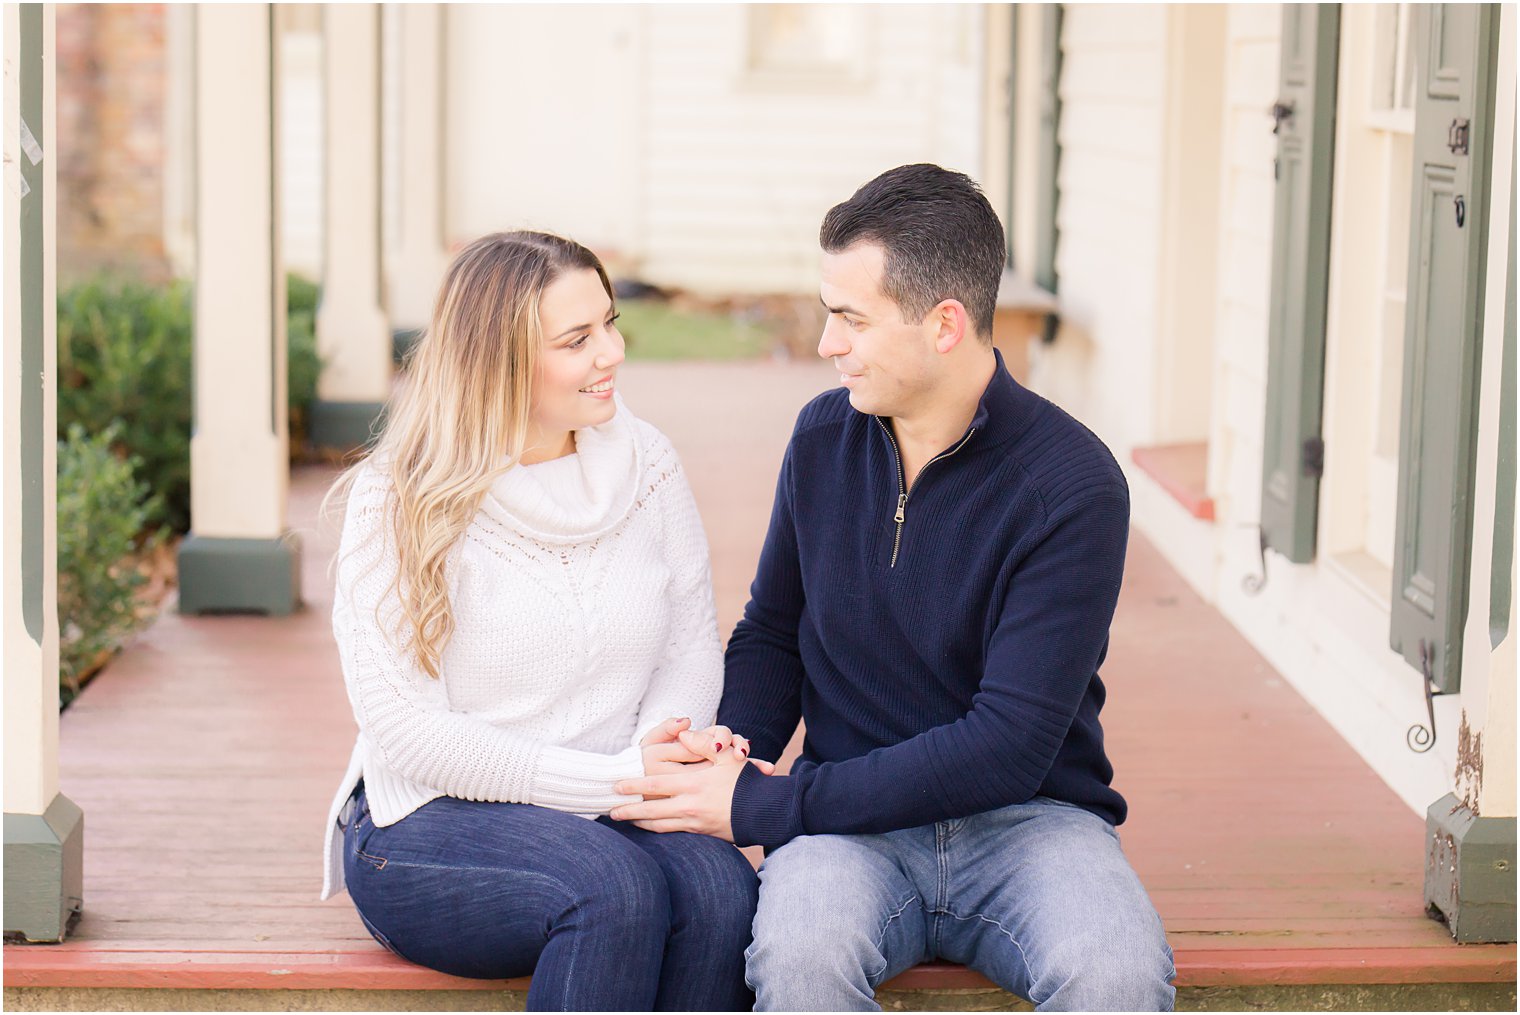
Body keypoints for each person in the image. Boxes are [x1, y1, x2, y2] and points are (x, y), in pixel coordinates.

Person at [610, 164, 1176, 1011]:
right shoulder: (822, 439)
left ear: (944, 324)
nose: (826, 343)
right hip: (849, 833)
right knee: (800, 963)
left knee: (1118, 975)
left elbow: (1011, 741)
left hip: (1031, 823)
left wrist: (774, 802)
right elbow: (773, 629)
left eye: (850, 319)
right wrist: (740, 746)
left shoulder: (1072, 485)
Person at [317, 231, 760, 1012]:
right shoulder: (401, 495)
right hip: (426, 821)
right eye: (577, 339)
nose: (612, 352)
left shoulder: (646, 462)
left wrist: (656, 752)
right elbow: (406, 730)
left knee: (722, 890)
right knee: (610, 887)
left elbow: (688, 645)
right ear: (500, 359)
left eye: (611, 323)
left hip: (610, 800)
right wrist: (621, 781)